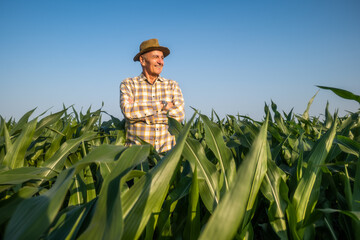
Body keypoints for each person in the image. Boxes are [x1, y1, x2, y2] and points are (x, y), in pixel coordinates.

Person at [120, 39, 185, 153]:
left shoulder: (172, 85)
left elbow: (179, 115)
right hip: (135, 156)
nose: (161, 62)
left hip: (167, 155)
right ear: (143, 60)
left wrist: (141, 117)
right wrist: (162, 106)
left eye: (162, 58)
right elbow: (128, 111)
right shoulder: (129, 84)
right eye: (156, 57)